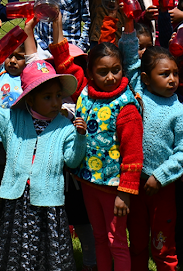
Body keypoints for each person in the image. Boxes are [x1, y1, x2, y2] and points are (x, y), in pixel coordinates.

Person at [0, 51, 86, 271]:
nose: (56, 102)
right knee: (15, 249)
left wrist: (80, 138)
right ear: (30, 97)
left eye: (58, 95)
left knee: (49, 250)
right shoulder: (12, 120)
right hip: (18, 199)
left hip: (48, 201)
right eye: (47, 97)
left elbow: (73, 162)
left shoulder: (64, 127)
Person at [53, 39, 143, 271]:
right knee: (100, 237)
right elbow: (66, 66)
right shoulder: (86, 92)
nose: (111, 77)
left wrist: (125, 192)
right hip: (89, 183)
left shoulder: (126, 107)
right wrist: (56, 27)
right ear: (91, 73)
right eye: (102, 72)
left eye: (116, 70)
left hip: (114, 189)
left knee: (117, 242)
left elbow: (133, 153)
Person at [119, 18, 183, 271]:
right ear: (146, 79)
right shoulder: (137, 90)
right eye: (164, 74)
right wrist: (128, 22)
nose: (172, 79)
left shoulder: (178, 111)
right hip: (133, 185)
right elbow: (129, 58)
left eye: (175, 74)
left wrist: (160, 177)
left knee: (162, 246)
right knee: (137, 243)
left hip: (161, 190)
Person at [0, 17, 36, 246]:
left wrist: (28, 30)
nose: (13, 61)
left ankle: (16, 229)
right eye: (10, 56)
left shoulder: (27, 80)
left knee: (18, 187)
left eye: (19, 57)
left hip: (20, 142)